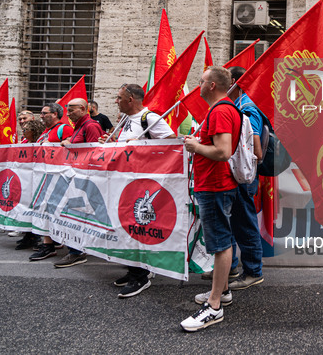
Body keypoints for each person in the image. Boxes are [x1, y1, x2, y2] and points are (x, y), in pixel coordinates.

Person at [181, 66, 240, 332]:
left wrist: (195, 146)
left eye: (202, 81)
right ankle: (223, 291)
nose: (199, 84)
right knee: (221, 240)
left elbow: (223, 151)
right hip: (215, 184)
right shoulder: (224, 109)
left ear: (212, 85)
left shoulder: (220, 111)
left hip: (215, 185)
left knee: (220, 243)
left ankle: (214, 307)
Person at [104, 83, 175, 299]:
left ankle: (141, 276)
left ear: (131, 99)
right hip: (125, 181)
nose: (116, 101)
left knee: (138, 227)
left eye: (119, 97)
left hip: (143, 183)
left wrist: (142, 147)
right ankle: (134, 268)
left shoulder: (149, 118)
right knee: (126, 226)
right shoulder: (125, 120)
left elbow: (173, 143)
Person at [222, 66, 264, 291]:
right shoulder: (236, 106)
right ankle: (228, 268)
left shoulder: (247, 108)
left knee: (244, 224)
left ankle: (253, 272)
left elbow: (256, 150)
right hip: (234, 176)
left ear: (235, 82)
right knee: (230, 223)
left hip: (243, 178)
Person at [51, 99, 102, 268]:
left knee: (76, 213)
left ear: (83, 109)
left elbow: (95, 152)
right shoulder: (79, 126)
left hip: (86, 178)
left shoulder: (91, 126)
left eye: (71, 110)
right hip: (76, 176)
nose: (68, 114)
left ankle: (76, 252)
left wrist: (70, 144)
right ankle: (76, 249)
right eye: (67, 111)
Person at [28, 103, 73, 259]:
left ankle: (52, 244)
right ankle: (49, 243)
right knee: (45, 208)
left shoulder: (64, 129)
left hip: (58, 176)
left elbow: (71, 149)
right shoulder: (46, 131)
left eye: (44, 112)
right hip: (45, 176)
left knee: (53, 209)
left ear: (54, 114)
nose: (41, 115)